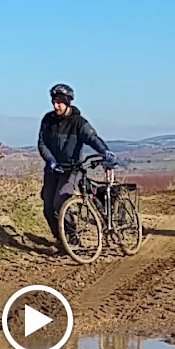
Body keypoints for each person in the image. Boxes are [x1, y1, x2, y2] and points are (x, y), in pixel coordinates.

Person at [37, 83, 118, 253]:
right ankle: (62, 239)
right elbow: (42, 143)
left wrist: (104, 151)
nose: (55, 105)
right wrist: (51, 160)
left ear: (67, 102)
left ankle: (72, 238)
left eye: (59, 102)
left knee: (60, 201)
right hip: (52, 169)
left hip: (72, 170)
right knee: (48, 208)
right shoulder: (48, 120)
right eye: (53, 102)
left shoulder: (78, 122)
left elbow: (92, 138)